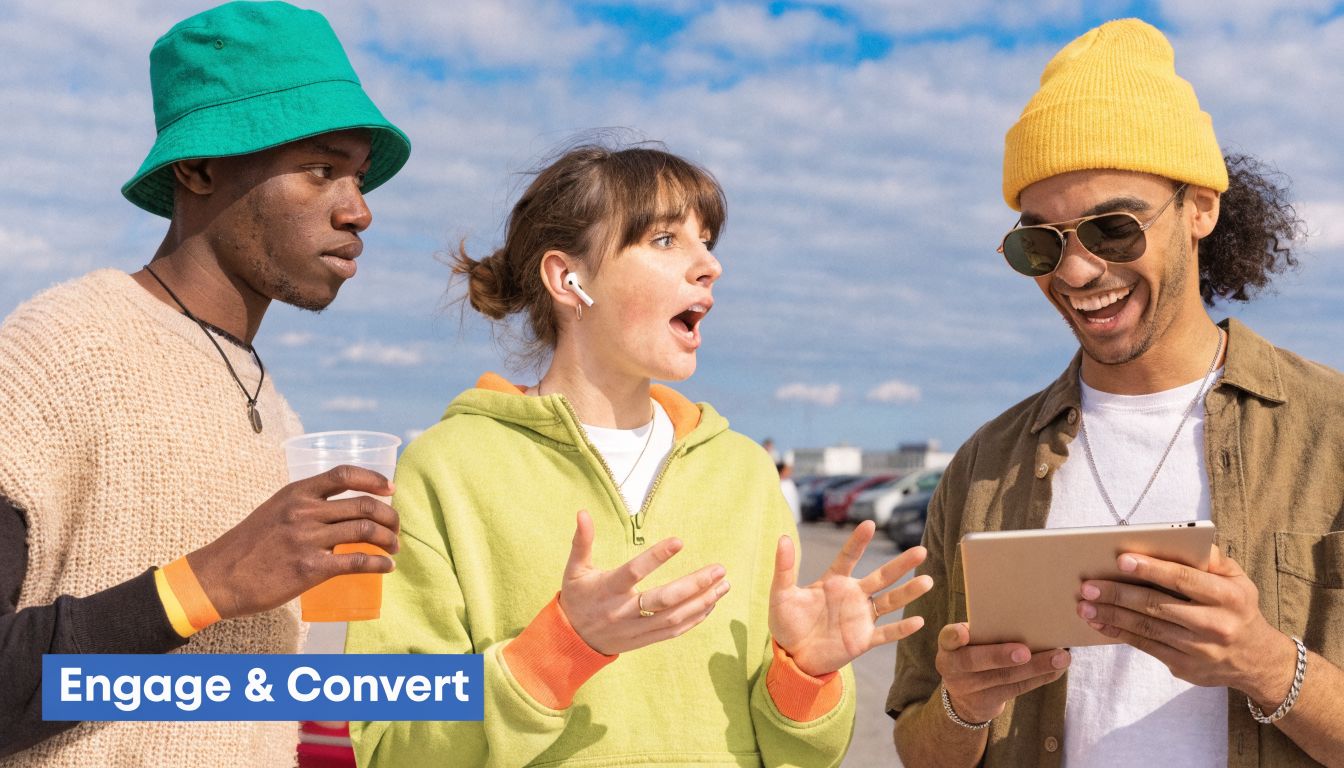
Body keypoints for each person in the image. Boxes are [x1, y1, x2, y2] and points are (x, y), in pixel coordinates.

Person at [345, 144, 933, 767]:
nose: (710, 266)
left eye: (707, 241)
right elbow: (389, 746)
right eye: (664, 239)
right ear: (567, 279)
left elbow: (801, 756)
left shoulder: (743, 473)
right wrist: (561, 650)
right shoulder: (445, 469)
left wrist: (804, 676)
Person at [889, 18, 1344, 767]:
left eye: (1114, 229)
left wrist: (1265, 664)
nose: (1075, 273)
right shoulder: (983, 467)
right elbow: (917, 743)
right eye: (1040, 243)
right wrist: (966, 708)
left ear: (1200, 208)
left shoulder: (1330, 436)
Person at [0, 2, 410, 765]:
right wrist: (209, 583)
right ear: (198, 167)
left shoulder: (280, 416)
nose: (359, 210)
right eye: (324, 169)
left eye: (358, 177)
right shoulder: (52, 357)